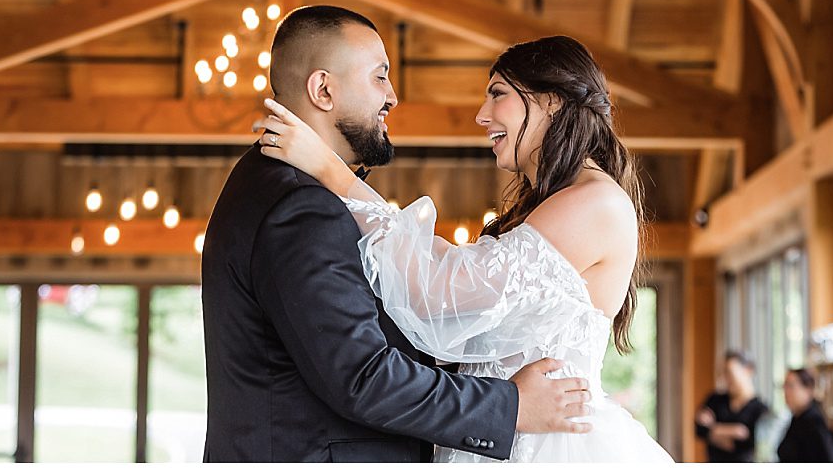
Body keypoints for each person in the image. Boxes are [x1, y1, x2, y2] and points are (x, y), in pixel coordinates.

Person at [253, 28, 673, 462]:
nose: (481, 114)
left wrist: (329, 169)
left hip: (551, 446)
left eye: (498, 94)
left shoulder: (594, 202)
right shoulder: (556, 205)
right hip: (503, 438)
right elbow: (446, 268)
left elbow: (438, 292)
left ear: (551, 101)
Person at [201, 6, 595, 463]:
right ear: (323, 90)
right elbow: (362, 376)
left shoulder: (288, 190)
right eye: (379, 77)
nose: (392, 97)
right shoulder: (301, 206)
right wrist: (510, 406)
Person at [695, 351, 765, 462]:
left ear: (748, 370)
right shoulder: (715, 400)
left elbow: (747, 444)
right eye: (724, 373)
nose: (726, 379)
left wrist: (713, 428)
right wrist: (735, 431)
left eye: (730, 373)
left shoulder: (760, 410)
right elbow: (700, 430)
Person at [778, 367, 833, 462]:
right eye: (784, 387)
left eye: (790, 386)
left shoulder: (813, 423)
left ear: (808, 389)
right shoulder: (798, 419)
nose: (786, 392)